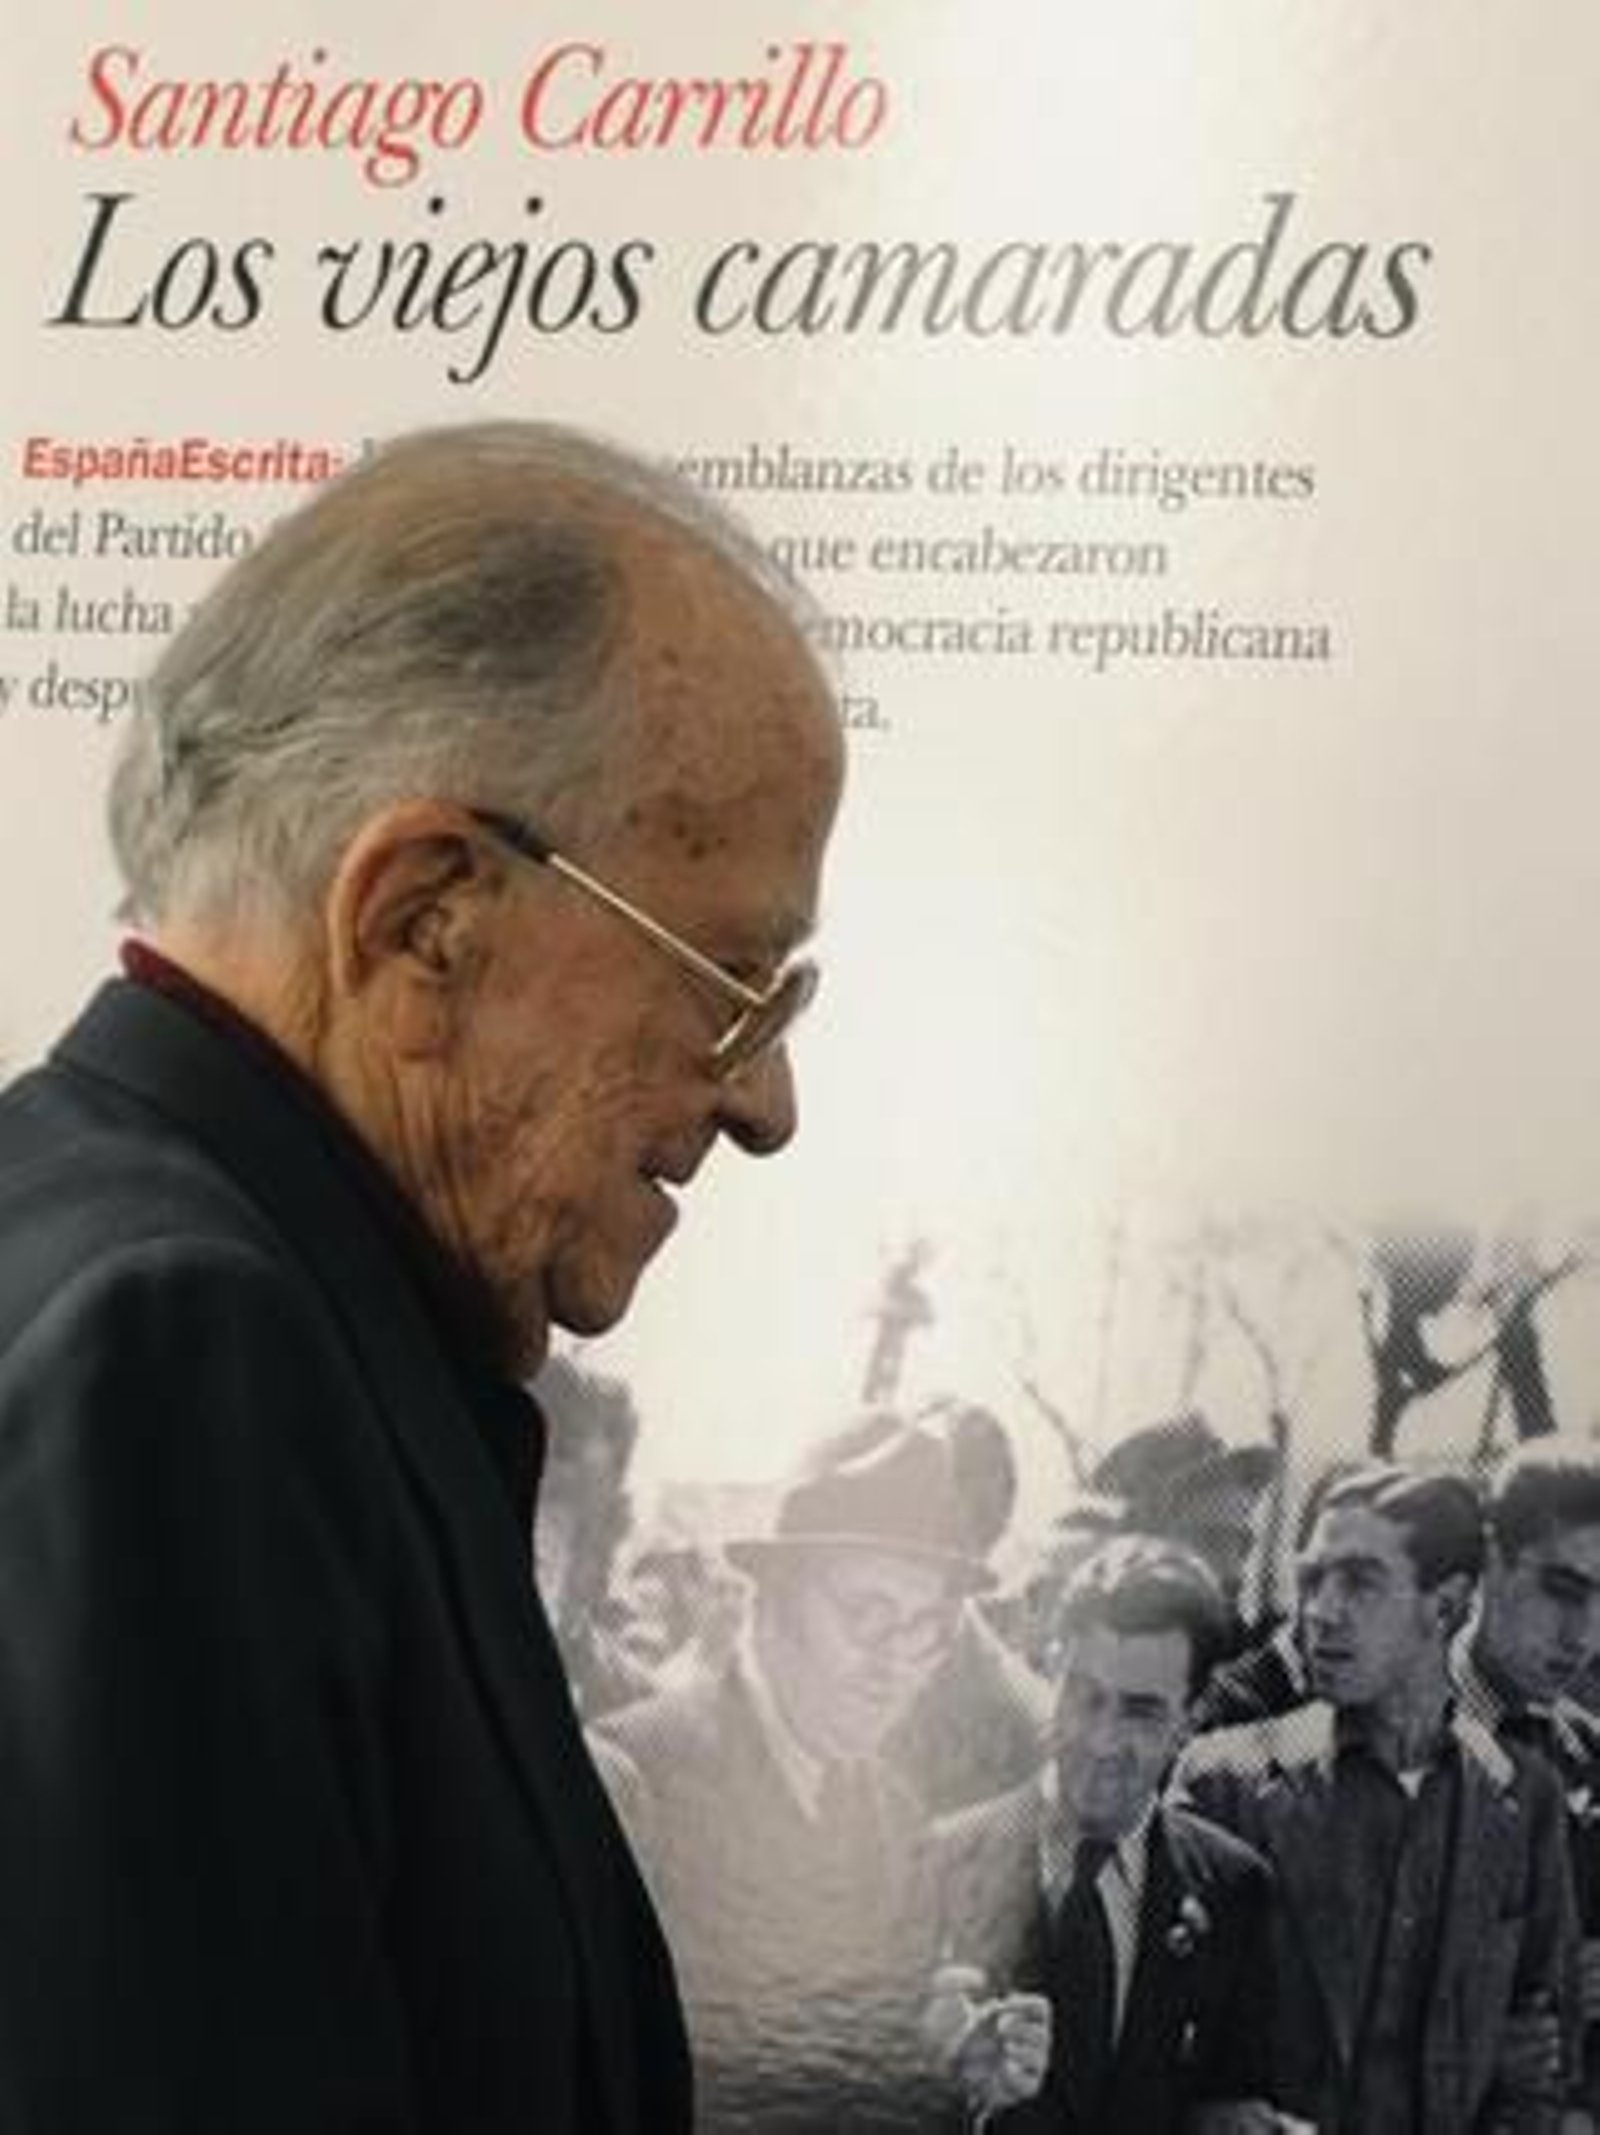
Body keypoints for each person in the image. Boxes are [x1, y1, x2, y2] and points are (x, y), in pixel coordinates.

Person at [0, 421, 844, 2134]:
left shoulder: (170, 1272)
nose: (764, 1101)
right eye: (736, 981)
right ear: (425, 919)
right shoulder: (177, 1352)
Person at [594, 1412, 981, 2132]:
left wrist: (944, 2071)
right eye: (867, 1613)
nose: (894, 1661)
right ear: (771, 1594)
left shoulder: (897, 1817)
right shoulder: (637, 1772)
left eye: (928, 1626)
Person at [1179, 1463, 1577, 2135]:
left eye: (1361, 1581)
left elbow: (1540, 2064)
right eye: (1313, 1579)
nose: (1322, 1610)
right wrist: (1206, 2116)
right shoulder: (1226, 1783)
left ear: (1446, 1605)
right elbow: (1151, 2039)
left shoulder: (1524, 1797)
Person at [931, 1536, 1279, 2132]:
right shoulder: (935, 1864)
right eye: (1084, 1697)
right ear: (1048, 1673)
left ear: (1188, 1721)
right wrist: (949, 2083)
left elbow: (1227, 2094)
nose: (1101, 1740)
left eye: (1140, 1712)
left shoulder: (1233, 1889)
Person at [1456, 1440, 1600, 2113]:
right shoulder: (1387, 1731)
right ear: (1491, 1559)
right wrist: (1478, 2044)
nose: (1585, 1634)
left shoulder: (1587, 1755)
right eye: (1565, 1591)